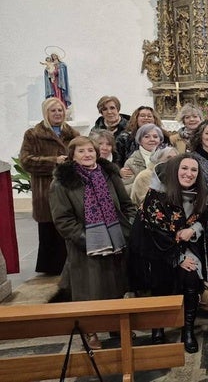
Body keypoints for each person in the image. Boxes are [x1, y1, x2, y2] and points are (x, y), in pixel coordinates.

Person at [50, 136, 136, 349]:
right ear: (72, 156)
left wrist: (127, 229)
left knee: (115, 287)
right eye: (81, 151)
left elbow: (127, 204)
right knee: (89, 290)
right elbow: (63, 219)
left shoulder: (109, 173)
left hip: (115, 240)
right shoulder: (62, 182)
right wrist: (85, 239)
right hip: (85, 245)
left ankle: (116, 325)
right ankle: (90, 332)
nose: (87, 154)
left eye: (90, 150)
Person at [129, 153, 208, 352]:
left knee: (191, 278)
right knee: (160, 281)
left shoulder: (200, 193)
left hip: (186, 246)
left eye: (193, 170)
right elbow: (155, 230)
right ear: (175, 171)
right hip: (157, 249)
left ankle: (187, 330)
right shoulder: (157, 194)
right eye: (184, 168)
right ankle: (158, 328)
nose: (189, 174)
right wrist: (178, 258)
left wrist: (193, 229)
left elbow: (205, 218)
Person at [19, 97, 79, 275]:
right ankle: (50, 268)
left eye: (60, 110)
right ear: (46, 113)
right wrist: (54, 161)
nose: (58, 114)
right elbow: (25, 161)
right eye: (53, 111)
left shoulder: (72, 134)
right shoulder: (33, 134)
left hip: (69, 188)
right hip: (45, 189)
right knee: (49, 230)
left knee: (67, 226)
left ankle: (70, 265)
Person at [121, 124, 165, 193]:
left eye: (155, 137)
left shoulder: (166, 158)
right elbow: (126, 189)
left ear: (160, 140)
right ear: (140, 140)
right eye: (147, 137)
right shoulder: (131, 162)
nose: (152, 139)